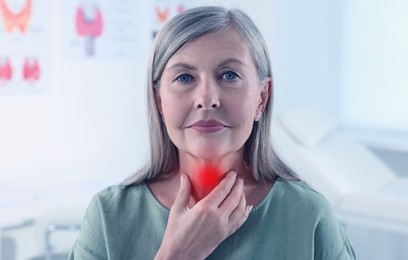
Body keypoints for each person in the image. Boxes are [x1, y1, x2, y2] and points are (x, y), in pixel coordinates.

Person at [68, 6, 356, 260]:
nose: (206, 98)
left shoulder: (309, 216)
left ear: (262, 98)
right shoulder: (109, 217)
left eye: (229, 75)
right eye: (184, 78)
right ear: (159, 102)